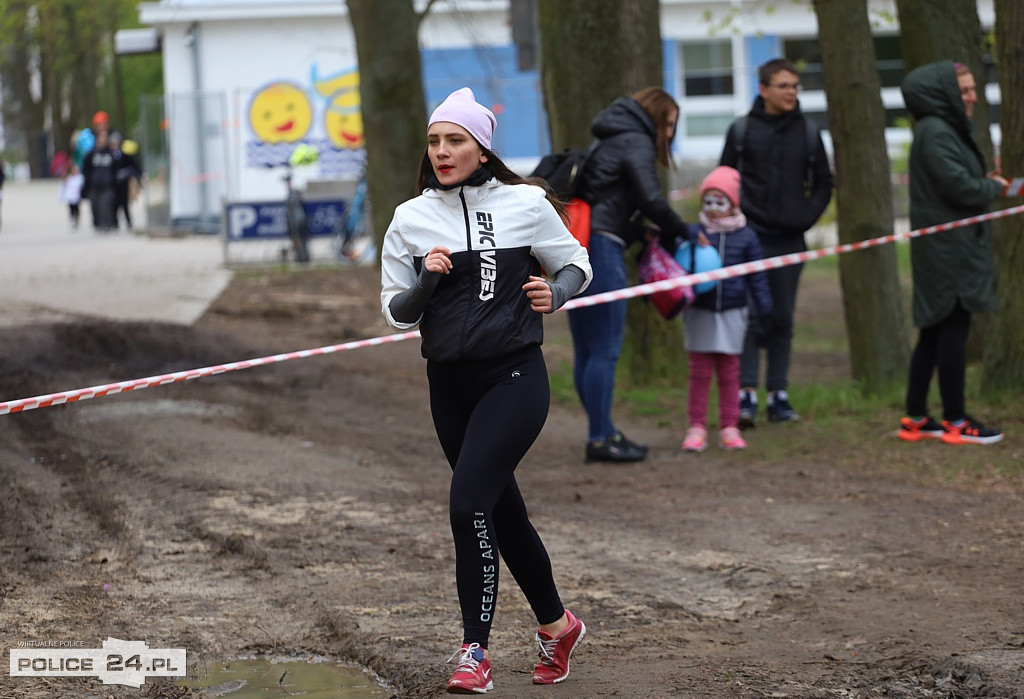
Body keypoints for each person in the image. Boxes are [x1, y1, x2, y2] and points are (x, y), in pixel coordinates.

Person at [380, 87, 592, 694]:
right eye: (434, 141)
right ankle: (558, 625)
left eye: (455, 140)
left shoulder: (525, 204)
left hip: (515, 376)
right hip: (448, 384)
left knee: (467, 503)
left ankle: (475, 650)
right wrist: (426, 281)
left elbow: (575, 261)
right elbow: (396, 312)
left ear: (481, 149)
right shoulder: (410, 217)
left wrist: (561, 292)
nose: (442, 152)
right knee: (502, 510)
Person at [571, 86, 696, 463]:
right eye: (670, 124)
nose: (670, 133)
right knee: (605, 349)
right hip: (602, 249)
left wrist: (640, 231)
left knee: (587, 349)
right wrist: (684, 229)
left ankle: (604, 430)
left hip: (576, 248)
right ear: (657, 117)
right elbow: (651, 199)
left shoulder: (608, 138)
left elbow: (610, 195)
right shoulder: (636, 139)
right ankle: (599, 438)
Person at [897, 60, 1008, 446]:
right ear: (943, 94)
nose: (973, 96)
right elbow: (960, 189)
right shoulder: (937, 132)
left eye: (974, 88)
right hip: (948, 252)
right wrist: (991, 188)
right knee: (951, 331)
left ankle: (915, 418)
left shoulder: (943, 130)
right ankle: (957, 421)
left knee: (932, 330)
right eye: (964, 90)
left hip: (948, 248)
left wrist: (983, 183)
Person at [719, 58, 834, 428]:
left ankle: (779, 396)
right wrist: (743, 217)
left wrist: (804, 219)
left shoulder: (808, 132)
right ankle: (746, 394)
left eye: (796, 86)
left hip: (789, 241)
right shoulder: (741, 130)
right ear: (763, 89)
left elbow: (823, 183)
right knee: (751, 317)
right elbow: (723, 181)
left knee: (782, 317)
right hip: (748, 240)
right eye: (784, 86)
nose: (792, 93)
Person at [681, 166, 772, 452]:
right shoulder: (694, 233)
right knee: (699, 372)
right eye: (707, 201)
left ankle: (729, 427)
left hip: (733, 312)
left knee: (730, 372)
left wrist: (765, 305)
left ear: (733, 203)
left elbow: (757, 275)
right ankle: (696, 427)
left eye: (719, 201)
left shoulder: (747, 237)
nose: (713, 208)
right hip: (700, 312)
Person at [81, 129, 119, 232]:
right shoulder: (91, 154)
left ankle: (106, 224)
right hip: (94, 185)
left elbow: (116, 169)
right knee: (95, 206)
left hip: (108, 185)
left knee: (106, 205)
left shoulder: (111, 154)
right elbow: (85, 169)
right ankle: (97, 224)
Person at [109, 132, 140, 231]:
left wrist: (135, 174)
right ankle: (114, 223)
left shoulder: (124, 154)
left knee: (125, 203)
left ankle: (128, 222)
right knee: (114, 204)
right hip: (113, 183)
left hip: (123, 183)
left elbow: (133, 165)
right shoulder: (109, 154)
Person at [58, 162, 86, 230]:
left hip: (77, 196)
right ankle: (72, 219)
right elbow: (63, 188)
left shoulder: (80, 177)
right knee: (71, 209)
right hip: (70, 197)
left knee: (77, 209)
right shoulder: (68, 178)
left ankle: (76, 219)